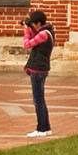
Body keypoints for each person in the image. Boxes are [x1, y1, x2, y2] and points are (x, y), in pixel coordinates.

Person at [22, 10, 55, 138]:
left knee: (38, 100)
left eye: (33, 24)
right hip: (41, 69)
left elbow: (27, 44)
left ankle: (41, 128)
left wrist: (26, 31)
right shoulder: (48, 32)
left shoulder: (43, 35)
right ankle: (45, 127)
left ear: (39, 23)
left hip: (38, 69)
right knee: (40, 100)